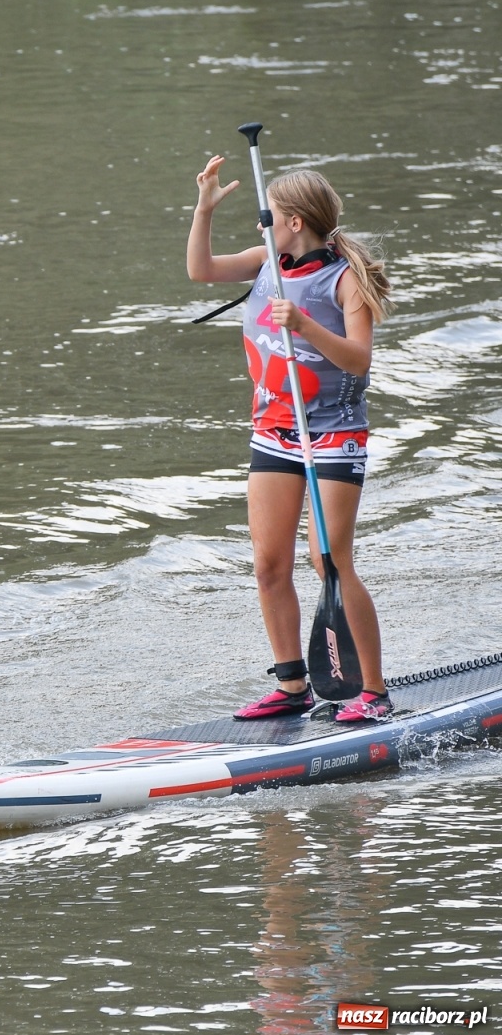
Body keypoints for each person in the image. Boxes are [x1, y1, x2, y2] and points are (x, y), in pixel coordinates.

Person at [186, 158, 394, 723]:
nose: (261, 227)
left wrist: (303, 325)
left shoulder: (345, 279)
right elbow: (201, 271)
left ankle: (373, 692)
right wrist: (203, 210)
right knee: (269, 564)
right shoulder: (266, 266)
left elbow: (359, 359)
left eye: (268, 218)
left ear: (295, 222)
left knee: (328, 559)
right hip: (274, 434)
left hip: (333, 435)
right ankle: (292, 684)